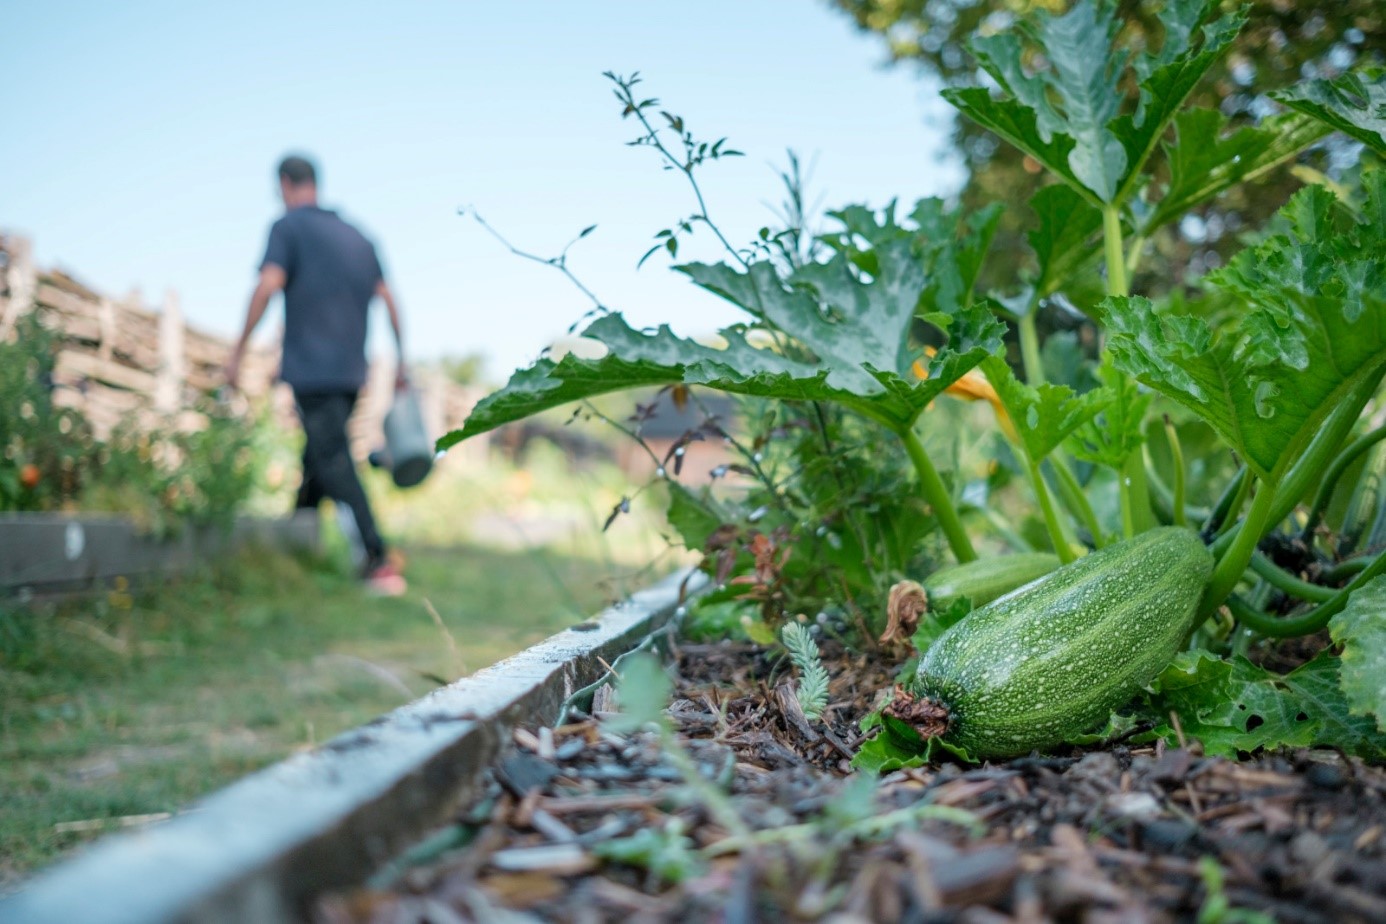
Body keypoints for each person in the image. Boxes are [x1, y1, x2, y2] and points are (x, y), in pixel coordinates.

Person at [226, 154, 407, 596]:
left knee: (334, 459)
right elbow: (389, 299)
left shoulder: (287, 228)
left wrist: (238, 350)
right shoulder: (360, 238)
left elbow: (268, 285)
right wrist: (402, 359)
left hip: (312, 369)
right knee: (319, 455)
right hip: (350, 372)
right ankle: (295, 544)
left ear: (285, 184)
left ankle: (378, 558)